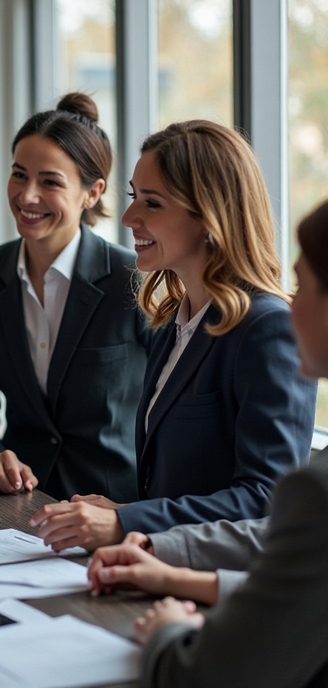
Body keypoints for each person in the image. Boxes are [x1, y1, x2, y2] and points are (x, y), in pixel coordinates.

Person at [30, 120, 316, 551]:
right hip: (158, 573)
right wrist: (119, 512)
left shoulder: (268, 328)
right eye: (133, 197)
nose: (128, 217)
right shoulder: (173, 324)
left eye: (152, 203)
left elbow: (267, 501)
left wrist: (128, 521)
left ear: (209, 216)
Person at [87, 199, 328, 687]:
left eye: (304, 286)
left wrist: (166, 630)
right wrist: (170, 562)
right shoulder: (172, 320)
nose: (289, 300)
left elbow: (203, 673)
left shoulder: (263, 324)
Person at [0, 93, 151, 501]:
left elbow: (168, 410)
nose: (27, 196)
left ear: (92, 192)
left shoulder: (133, 278)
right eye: (18, 175)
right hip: (18, 502)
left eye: (50, 182)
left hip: (115, 505)